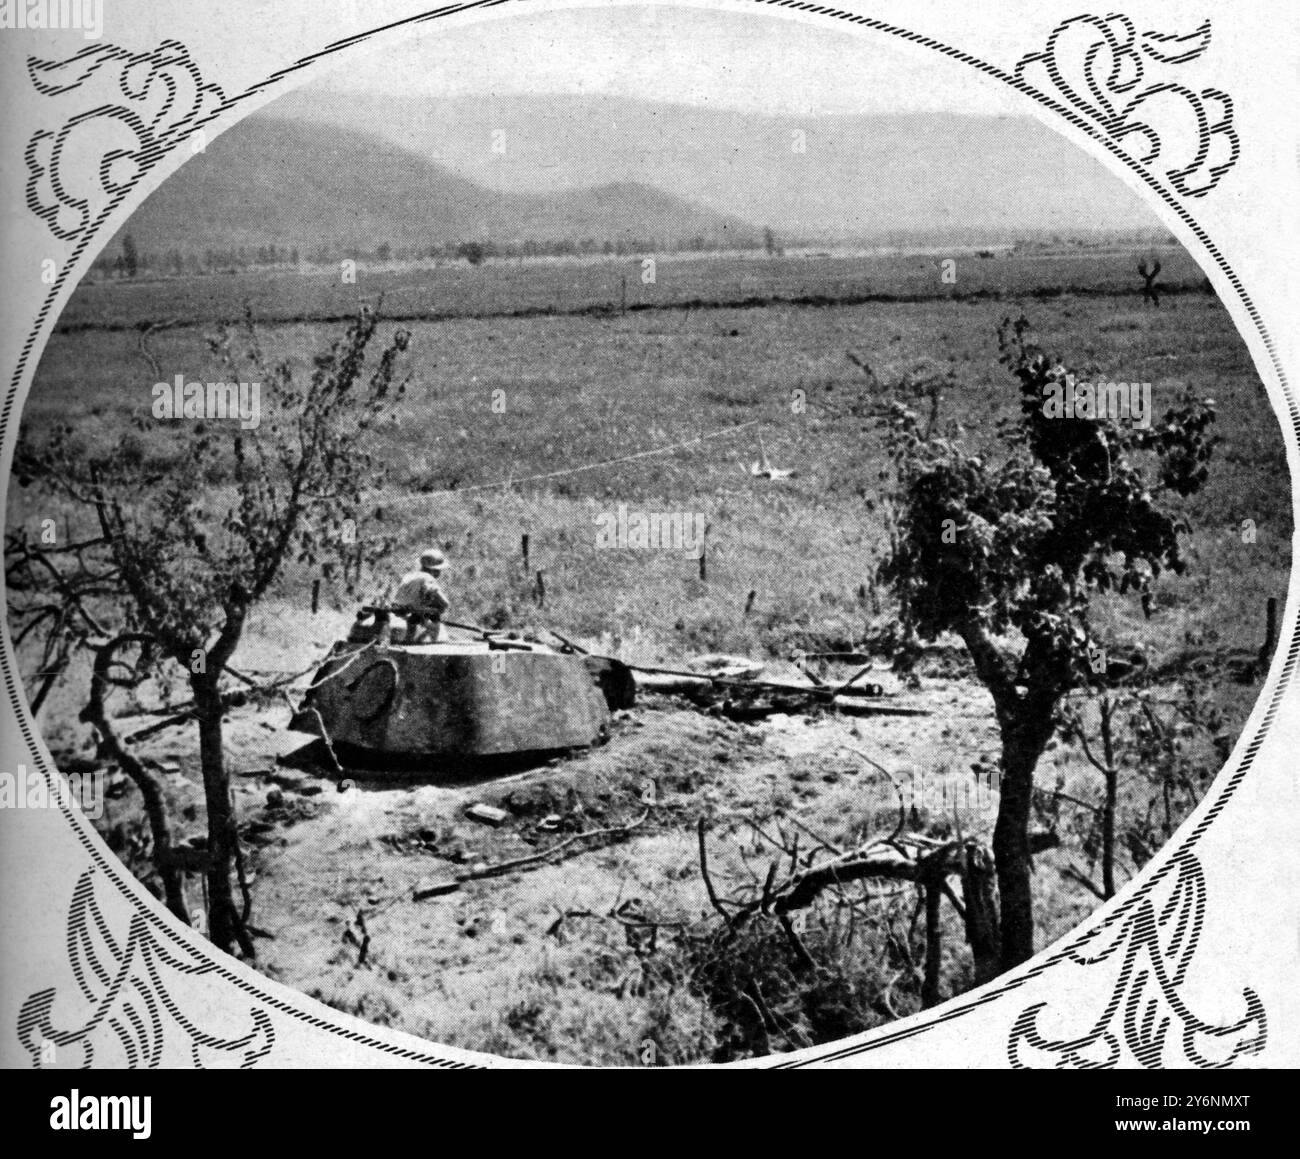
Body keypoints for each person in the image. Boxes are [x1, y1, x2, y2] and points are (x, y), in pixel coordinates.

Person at [393, 548, 451, 643]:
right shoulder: (428, 578)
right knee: (435, 614)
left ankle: (410, 639)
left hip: (402, 612)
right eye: (439, 570)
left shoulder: (409, 576)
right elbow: (444, 602)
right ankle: (433, 639)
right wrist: (440, 607)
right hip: (417, 611)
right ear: (434, 570)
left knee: (418, 613)